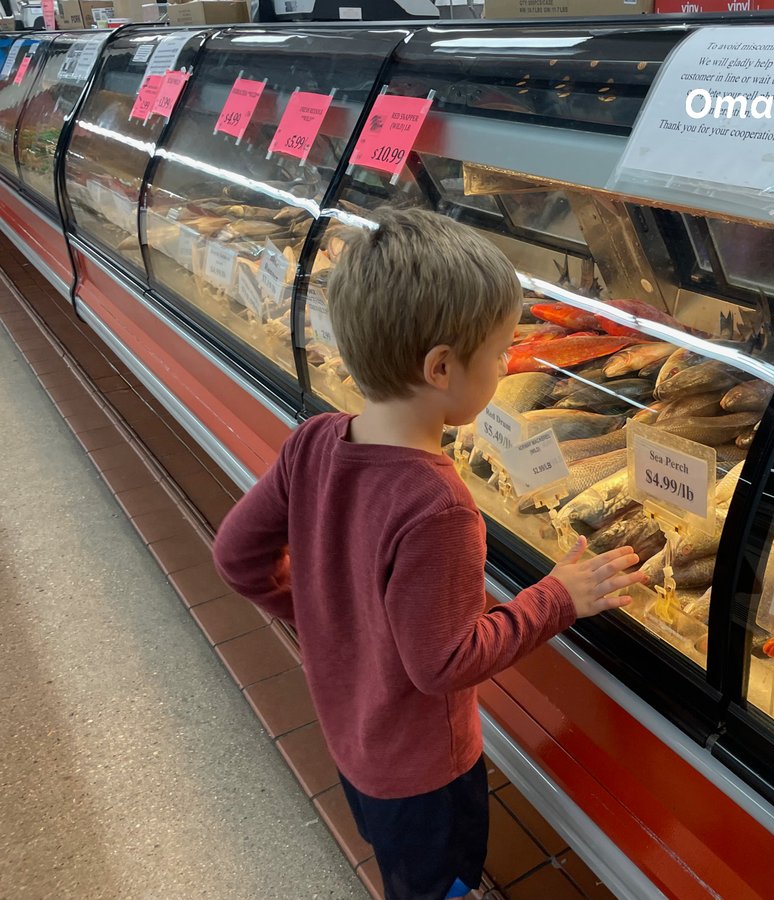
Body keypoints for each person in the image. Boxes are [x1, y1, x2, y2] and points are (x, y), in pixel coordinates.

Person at [212, 207, 644, 900]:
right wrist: (557, 597)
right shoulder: (439, 507)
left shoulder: (315, 439)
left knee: (400, 867)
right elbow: (444, 662)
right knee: (435, 886)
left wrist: (330, 614)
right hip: (424, 776)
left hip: (352, 741)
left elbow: (235, 557)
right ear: (442, 368)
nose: (510, 363)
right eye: (503, 350)